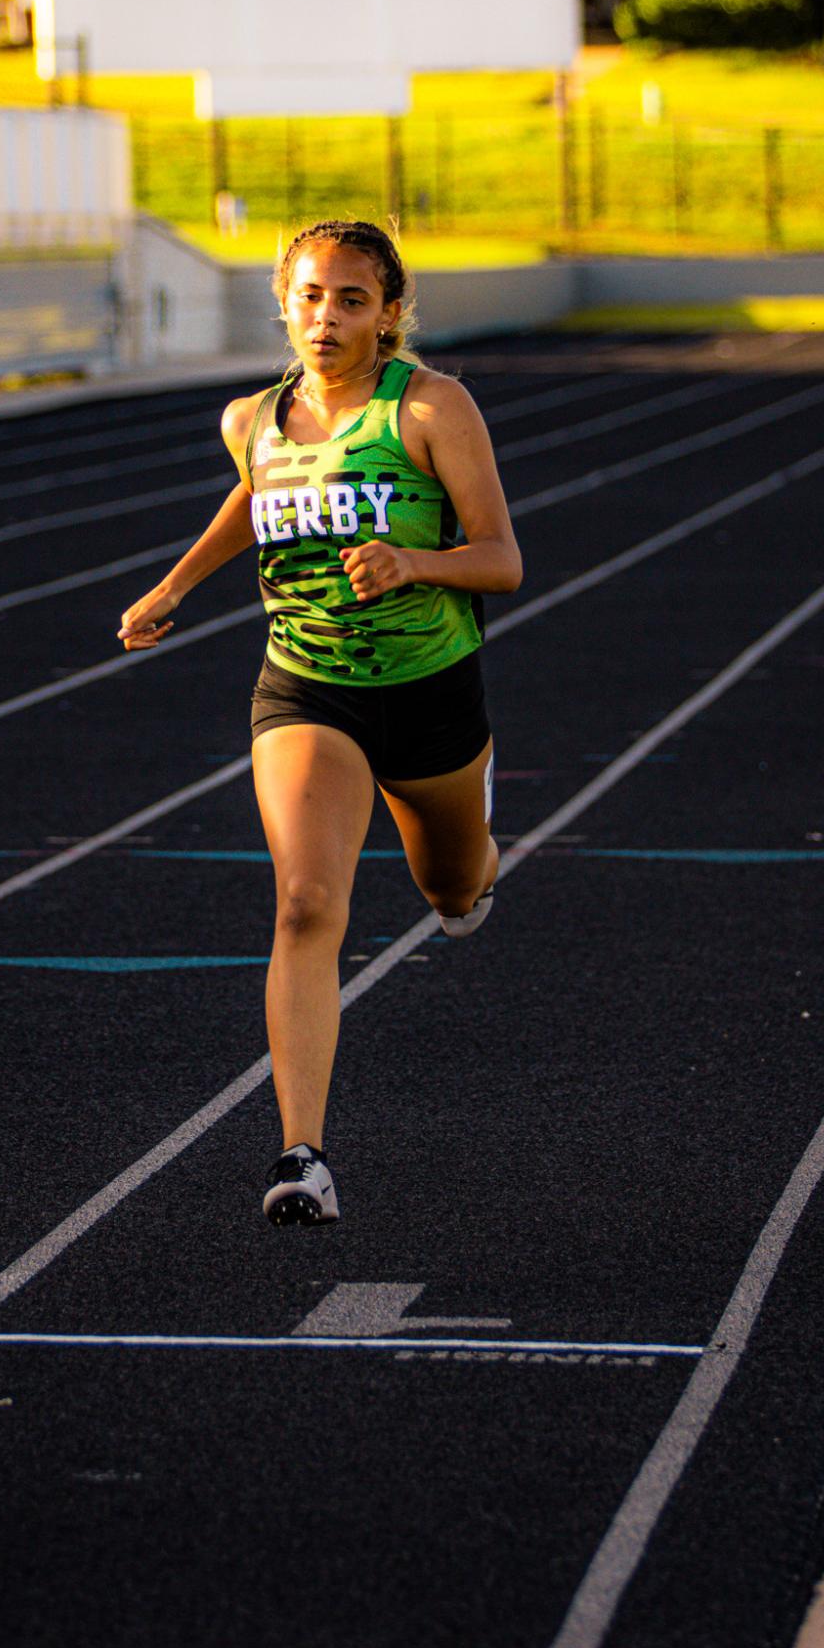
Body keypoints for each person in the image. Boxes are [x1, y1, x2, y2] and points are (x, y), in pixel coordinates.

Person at [118, 219, 521, 1225]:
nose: (325, 318)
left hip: (428, 690)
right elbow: (253, 501)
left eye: (350, 300)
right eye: (308, 297)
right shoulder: (250, 418)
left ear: (389, 313)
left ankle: (471, 845)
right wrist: (172, 588)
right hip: (304, 686)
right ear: (281, 305)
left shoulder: (429, 408)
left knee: (454, 887)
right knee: (303, 903)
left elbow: (501, 560)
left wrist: (411, 562)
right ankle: (302, 1154)